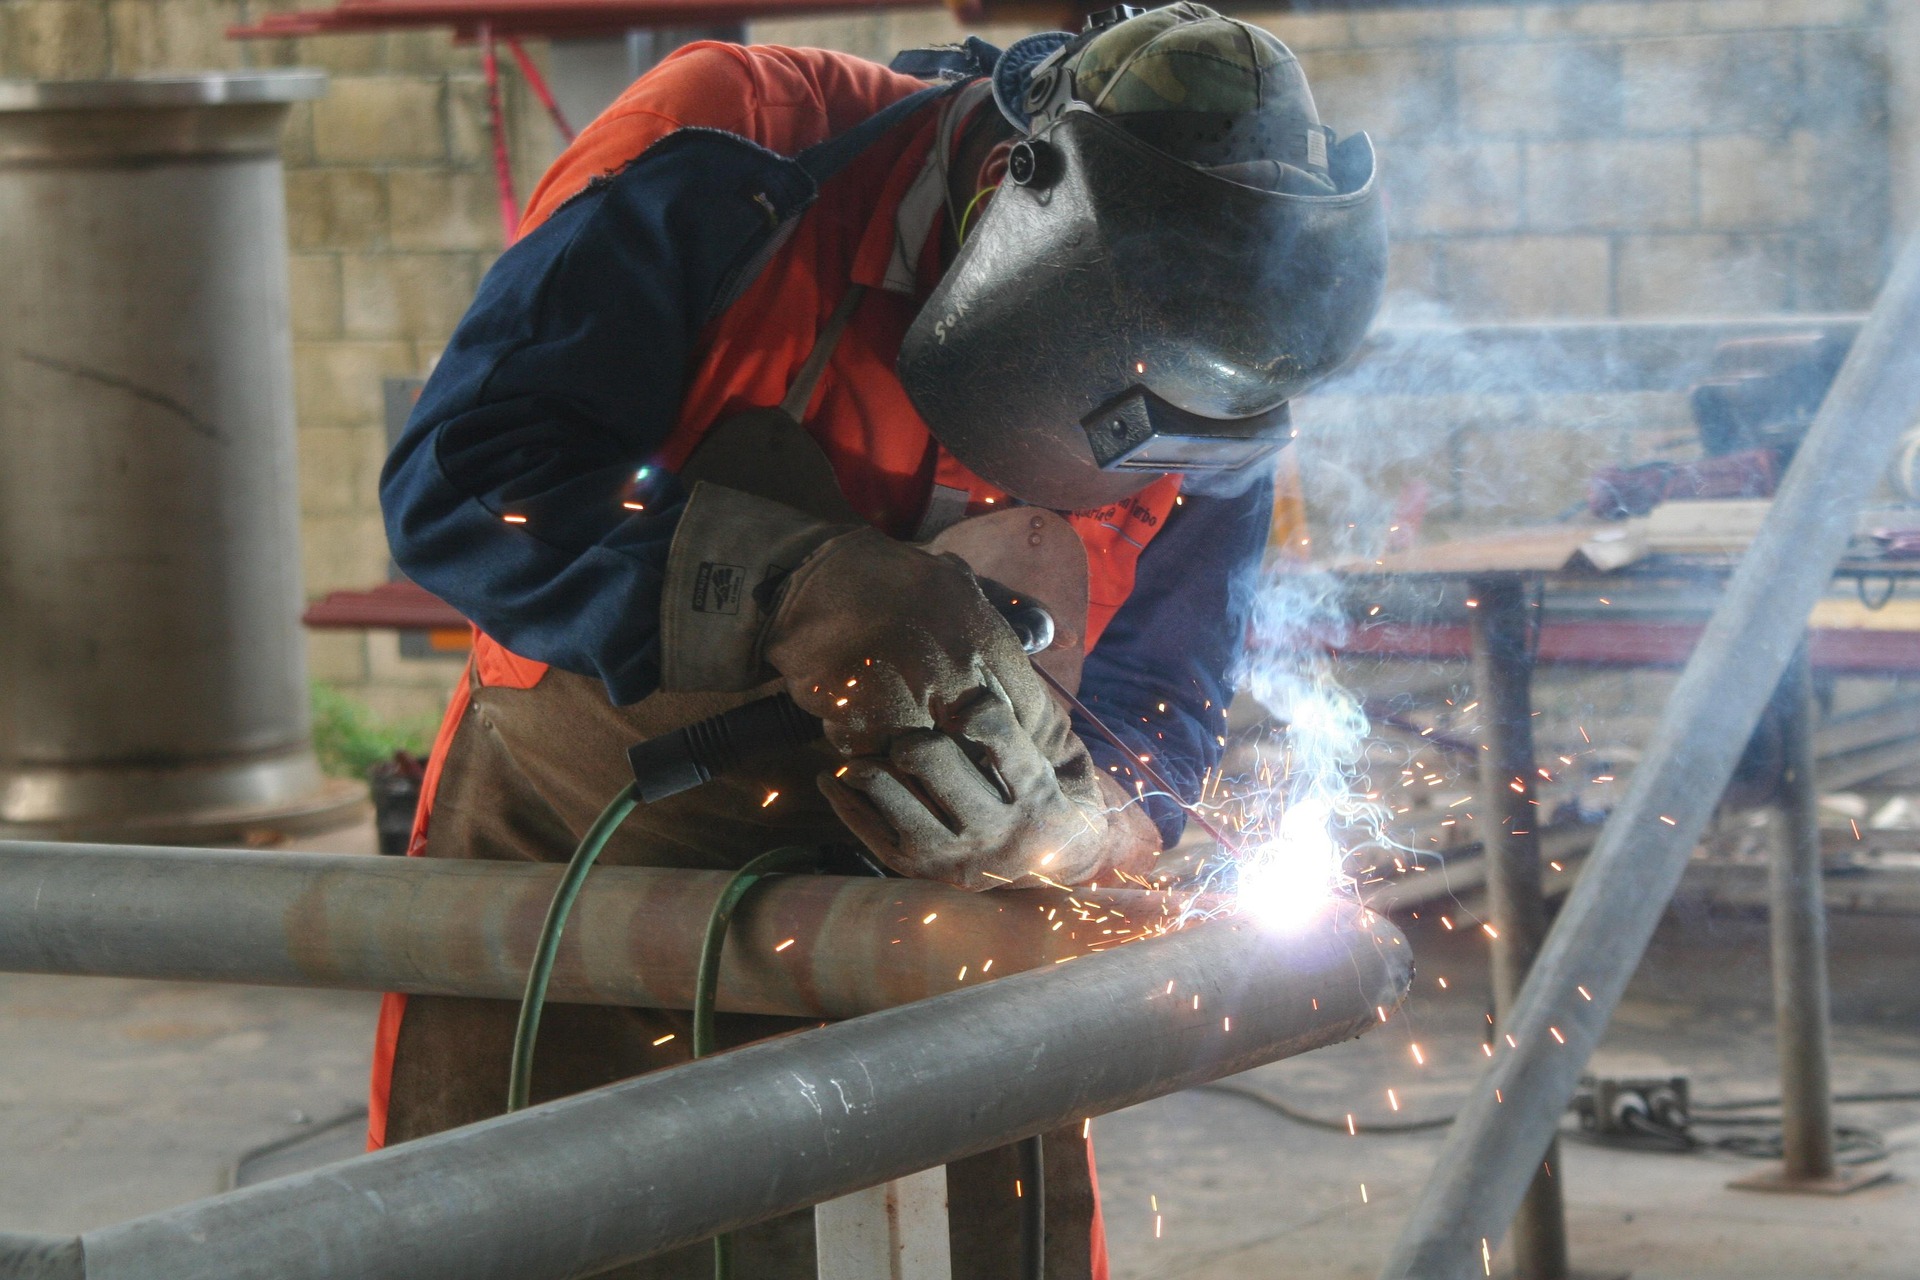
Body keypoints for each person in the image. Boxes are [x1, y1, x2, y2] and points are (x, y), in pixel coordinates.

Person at [374, 5, 1384, 1275]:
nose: (1152, 459)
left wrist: (1088, 825)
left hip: (937, 941)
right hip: (594, 869)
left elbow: (1159, 701)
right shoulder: (734, 146)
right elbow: (464, 479)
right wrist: (791, 584)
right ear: (1013, 200)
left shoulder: (1224, 369)